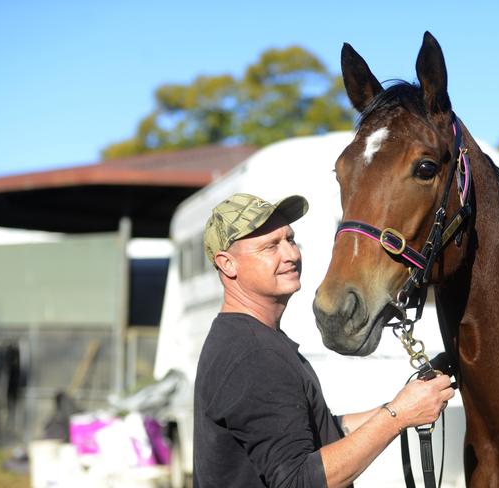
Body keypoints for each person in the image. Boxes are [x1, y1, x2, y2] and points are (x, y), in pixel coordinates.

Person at [193, 193, 455, 488]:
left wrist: (408, 403)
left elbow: (320, 432)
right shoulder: (254, 354)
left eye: (289, 240)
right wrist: (397, 416)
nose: (291, 255)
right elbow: (298, 480)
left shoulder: (247, 338)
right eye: (270, 246)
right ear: (227, 264)